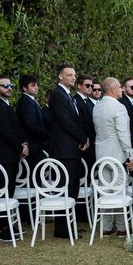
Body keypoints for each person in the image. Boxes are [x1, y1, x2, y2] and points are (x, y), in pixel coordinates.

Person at [0, 74, 29, 241]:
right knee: (2, 193)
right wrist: (20, 148)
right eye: (5, 86)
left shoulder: (4, 104)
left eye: (10, 85)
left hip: (9, 156)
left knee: (8, 192)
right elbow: (5, 132)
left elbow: (15, 128)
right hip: (2, 157)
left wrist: (24, 144)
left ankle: (6, 224)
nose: (9, 88)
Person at [49, 64, 90, 239]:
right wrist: (84, 138)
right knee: (64, 190)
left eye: (74, 75)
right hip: (63, 150)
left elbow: (76, 120)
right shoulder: (57, 95)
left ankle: (68, 225)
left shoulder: (68, 95)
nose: (73, 78)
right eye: (69, 75)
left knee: (72, 190)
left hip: (71, 149)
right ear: (60, 77)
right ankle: (62, 229)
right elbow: (66, 122)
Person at [92, 77, 133, 237]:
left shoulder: (97, 106)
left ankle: (107, 227)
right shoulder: (119, 107)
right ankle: (122, 228)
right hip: (117, 155)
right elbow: (123, 134)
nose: (121, 90)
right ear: (112, 90)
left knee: (105, 192)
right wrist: (129, 156)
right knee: (119, 192)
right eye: (119, 88)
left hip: (101, 155)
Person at [16, 74, 49, 172]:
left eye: (36, 85)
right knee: (34, 177)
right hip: (32, 146)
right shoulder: (26, 102)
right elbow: (31, 125)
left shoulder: (30, 100)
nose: (36, 88)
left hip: (34, 144)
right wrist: (45, 137)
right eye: (33, 85)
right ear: (24, 88)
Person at [73, 74, 97, 172]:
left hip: (90, 144)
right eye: (87, 85)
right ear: (79, 86)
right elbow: (79, 123)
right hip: (83, 145)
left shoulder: (87, 101)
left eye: (92, 86)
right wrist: (84, 140)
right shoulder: (75, 101)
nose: (90, 88)